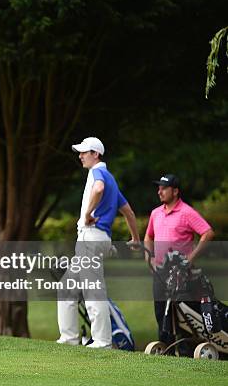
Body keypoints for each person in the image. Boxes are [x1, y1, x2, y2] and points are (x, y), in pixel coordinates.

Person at [57, 137, 140, 349]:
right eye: (81, 152)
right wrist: (135, 238)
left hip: (91, 238)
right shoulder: (111, 178)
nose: (81, 155)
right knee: (67, 288)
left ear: (96, 154)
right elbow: (128, 211)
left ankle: (102, 341)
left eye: (85, 152)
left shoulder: (98, 173)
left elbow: (98, 189)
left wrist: (88, 213)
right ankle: (69, 339)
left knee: (93, 291)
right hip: (98, 240)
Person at [144, 174, 214, 347]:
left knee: (183, 314)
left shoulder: (187, 212)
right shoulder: (156, 213)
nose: (159, 191)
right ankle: (165, 350)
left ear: (175, 191)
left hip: (182, 272)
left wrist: (191, 257)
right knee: (161, 313)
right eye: (158, 188)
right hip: (160, 271)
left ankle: (186, 352)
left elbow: (208, 233)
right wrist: (149, 256)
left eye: (164, 188)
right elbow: (148, 235)